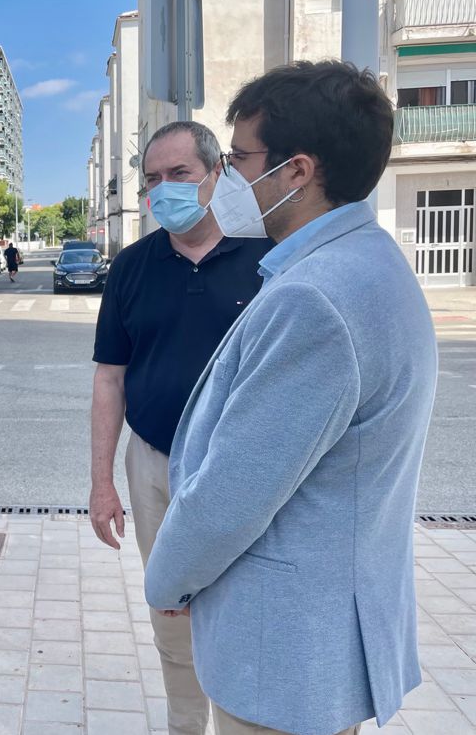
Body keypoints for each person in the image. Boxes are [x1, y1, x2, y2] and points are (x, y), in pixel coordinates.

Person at [143, 61, 438, 735]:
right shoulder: (368, 261)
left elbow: (234, 491)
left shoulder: (315, 298)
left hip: (285, 650)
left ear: (297, 171)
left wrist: (169, 581)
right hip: (317, 636)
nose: (231, 178)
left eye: (241, 159)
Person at [89, 121, 272, 735]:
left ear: (217, 172)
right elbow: (109, 380)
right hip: (155, 466)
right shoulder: (132, 268)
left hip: (241, 471)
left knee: (239, 608)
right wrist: (102, 484)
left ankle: (239, 721)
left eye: (179, 175)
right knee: (171, 608)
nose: (162, 190)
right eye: (152, 180)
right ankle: (185, 725)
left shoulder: (267, 257)